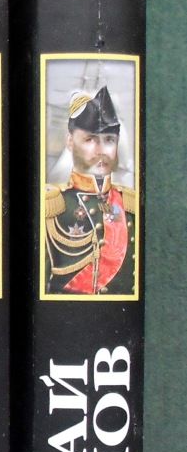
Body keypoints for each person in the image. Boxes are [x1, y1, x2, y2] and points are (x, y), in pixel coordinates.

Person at [45, 85, 136, 295]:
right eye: (90, 139)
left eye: (109, 140)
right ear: (70, 142)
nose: (101, 150)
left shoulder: (130, 204)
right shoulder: (53, 205)